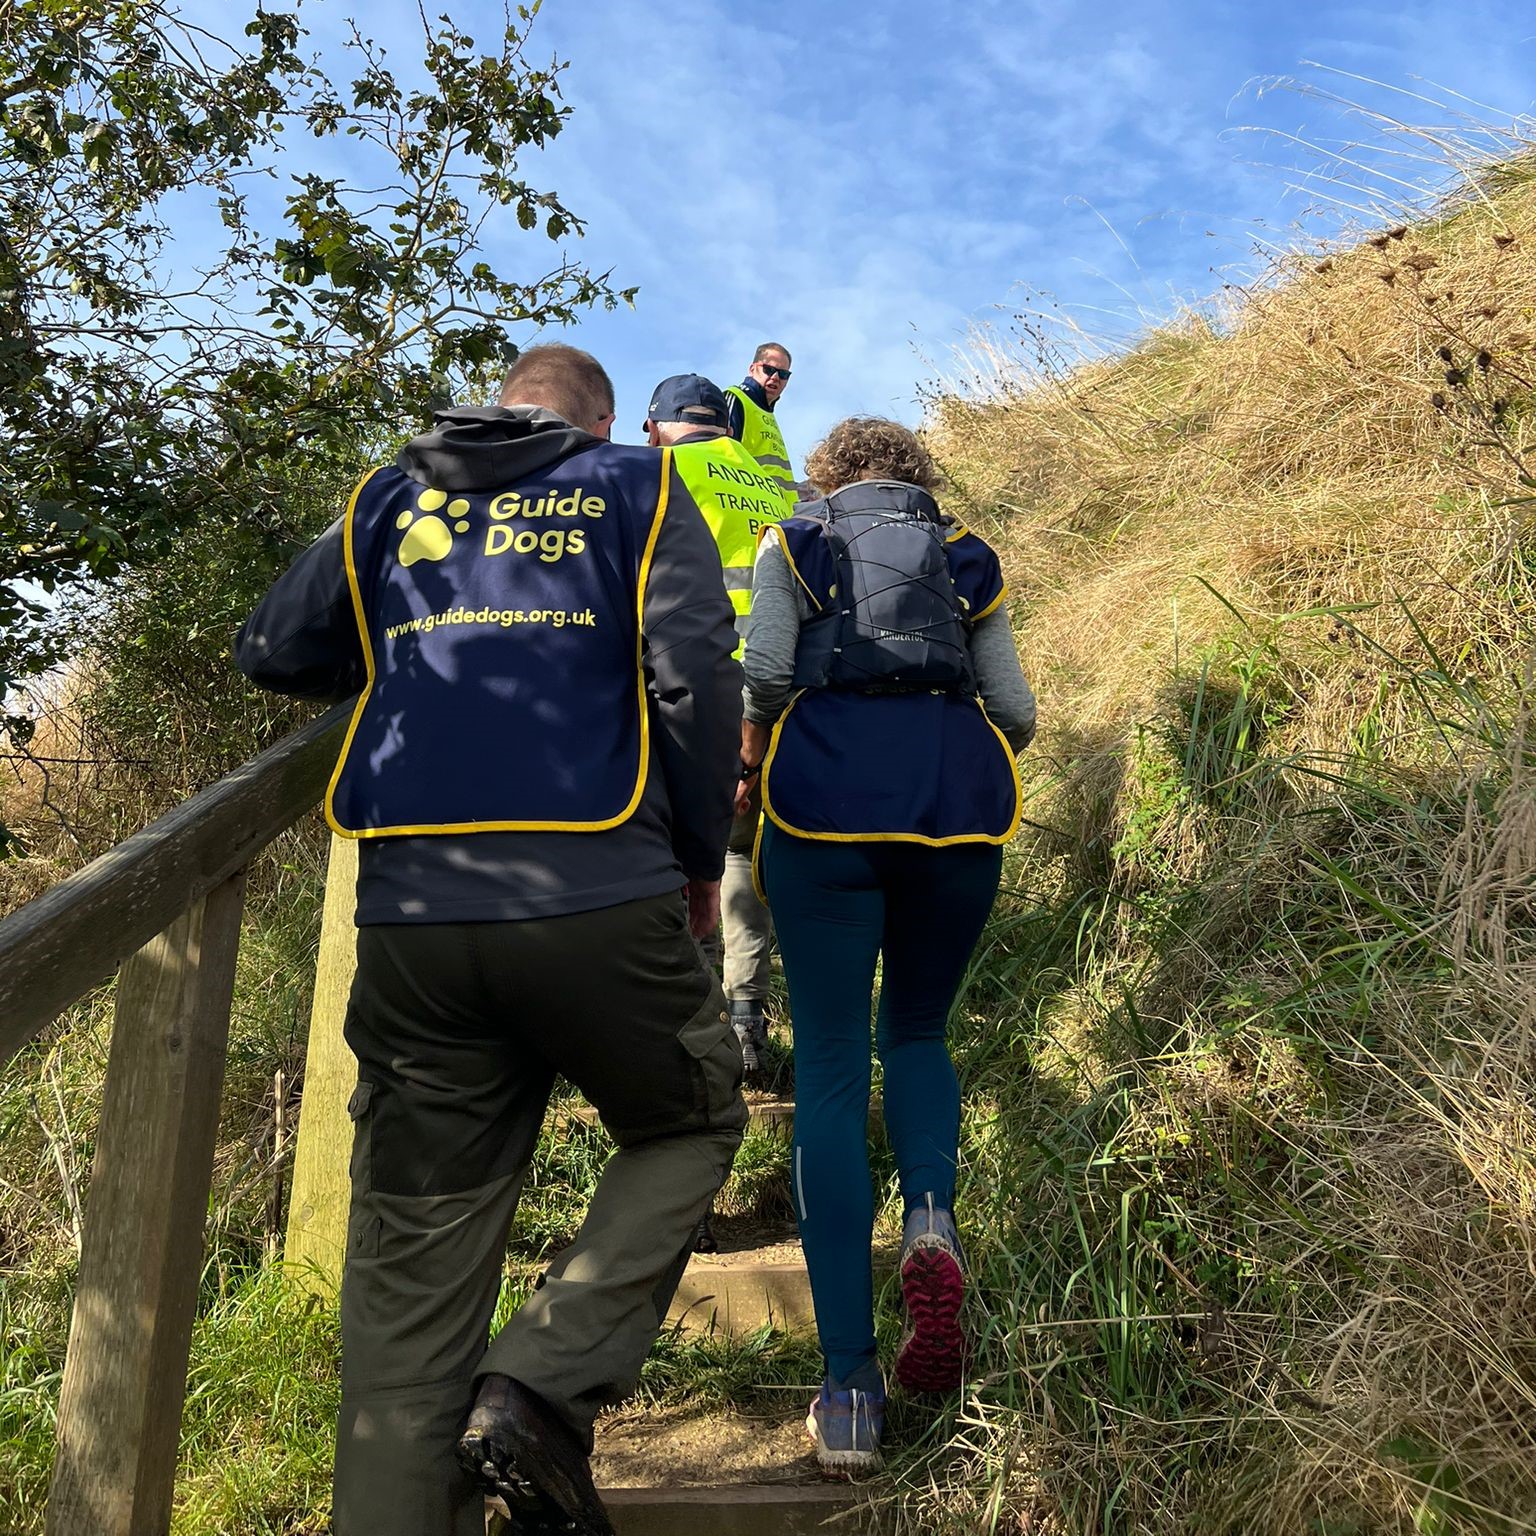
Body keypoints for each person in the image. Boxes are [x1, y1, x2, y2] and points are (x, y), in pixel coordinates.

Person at [235, 343, 746, 1536]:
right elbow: (691, 678)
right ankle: (543, 1378)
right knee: (692, 1118)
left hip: (411, 920)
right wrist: (694, 863)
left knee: (409, 1306)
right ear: (597, 420)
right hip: (596, 893)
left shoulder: (389, 491)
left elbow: (276, 647)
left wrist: (423, 653)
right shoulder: (638, 486)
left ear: (501, 404)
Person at [737, 416, 1036, 1475]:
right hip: (958, 809)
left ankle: (851, 1392)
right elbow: (1016, 708)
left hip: (822, 808)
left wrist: (756, 749)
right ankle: (931, 1216)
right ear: (916, 480)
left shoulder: (796, 542)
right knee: (916, 1029)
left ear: (827, 477)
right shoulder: (967, 556)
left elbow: (766, 672)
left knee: (825, 1068)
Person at [646, 374, 792, 1094]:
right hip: (773, 706)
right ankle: (745, 1023)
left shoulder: (658, 473)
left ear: (655, 427)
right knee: (739, 860)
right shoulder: (775, 488)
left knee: (680, 864)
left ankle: (687, 1041)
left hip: (691, 697)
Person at [725, 341, 798, 505]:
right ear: (752, 369)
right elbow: (721, 458)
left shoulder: (767, 413)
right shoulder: (736, 398)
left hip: (780, 513)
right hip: (752, 507)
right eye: (769, 369)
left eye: (783, 374)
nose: (775, 377)